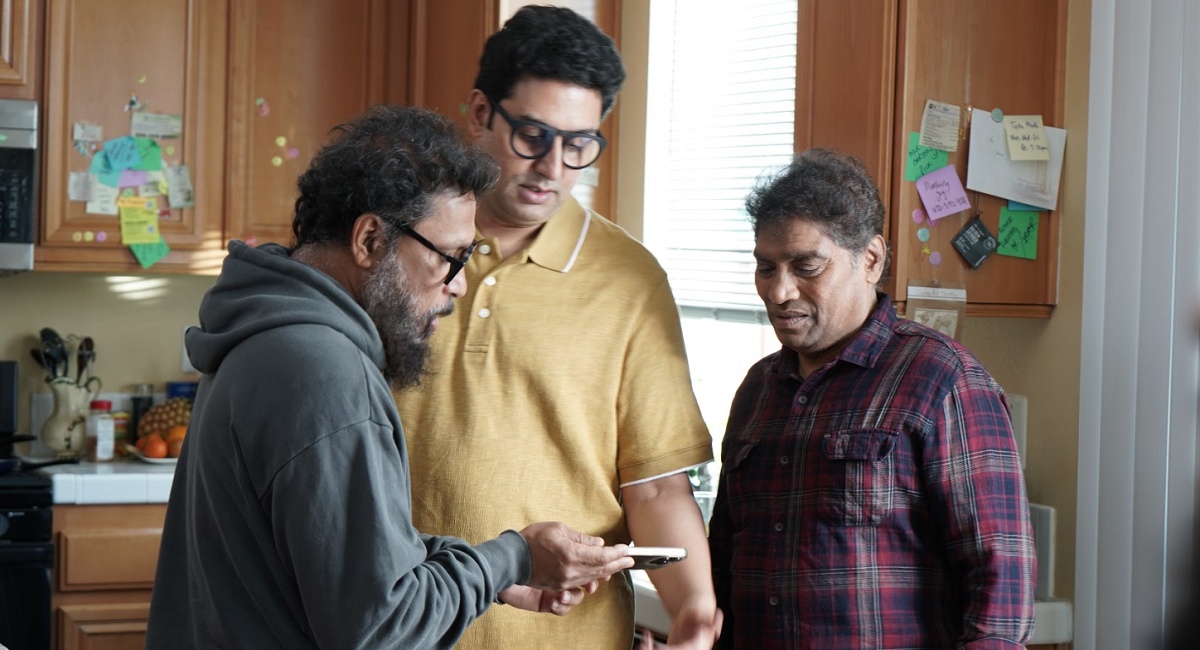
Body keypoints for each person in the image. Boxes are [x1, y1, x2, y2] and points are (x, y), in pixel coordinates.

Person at [145, 106, 636, 649]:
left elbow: (325, 558)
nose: (458, 286)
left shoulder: (266, 336)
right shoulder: (325, 374)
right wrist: (515, 555)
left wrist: (492, 571)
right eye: (450, 258)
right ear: (371, 240)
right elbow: (383, 630)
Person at [394, 6, 722, 649]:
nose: (553, 167)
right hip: (396, 624)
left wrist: (695, 609)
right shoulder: (401, 246)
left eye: (578, 145)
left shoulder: (631, 282)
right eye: (533, 136)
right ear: (482, 112)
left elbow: (654, 483)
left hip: (563, 636)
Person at [708, 149, 1037, 648]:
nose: (779, 291)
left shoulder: (943, 379)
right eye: (765, 267)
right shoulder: (758, 389)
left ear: (871, 259)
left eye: (806, 266)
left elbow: (1000, 580)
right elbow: (723, 560)